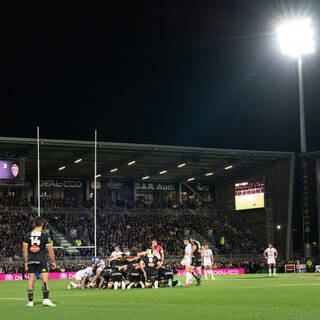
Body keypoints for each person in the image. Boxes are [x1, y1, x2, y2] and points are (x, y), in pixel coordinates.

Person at [23, 216, 56, 307]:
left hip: (30, 260)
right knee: (44, 280)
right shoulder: (45, 235)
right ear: (42, 224)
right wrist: (53, 262)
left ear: (34, 224)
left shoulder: (27, 235)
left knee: (31, 279)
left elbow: (25, 249)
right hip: (41, 260)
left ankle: (30, 302)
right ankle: (45, 299)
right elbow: (50, 250)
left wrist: (26, 262)